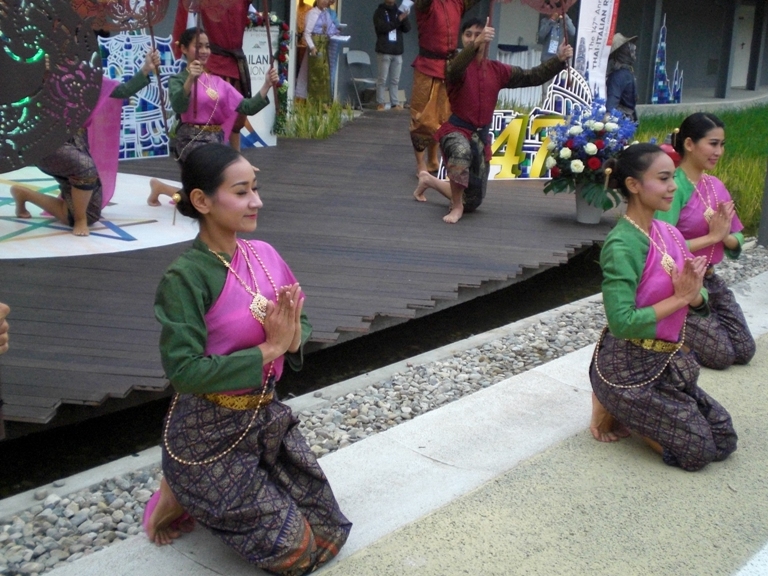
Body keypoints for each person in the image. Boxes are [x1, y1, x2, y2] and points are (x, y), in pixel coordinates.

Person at [144, 144, 352, 573]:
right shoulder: (185, 277)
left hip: (264, 418)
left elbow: (302, 322)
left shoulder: (264, 254)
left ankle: (195, 489)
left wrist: (291, 335)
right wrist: (269, 348)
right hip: (208, 433)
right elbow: (184, 373)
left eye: (255, 189)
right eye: (241, 192)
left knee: (330, 535)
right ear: (202, 201)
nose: (256, 201)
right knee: (295, 556)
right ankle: (178, 488)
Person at [589, 143, 738, 471]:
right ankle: (612, 401)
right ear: (634, 185)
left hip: (667, 363)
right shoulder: (621, 245)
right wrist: (681, 298)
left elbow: (701, 303)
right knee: (697, 453)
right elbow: (621, 323)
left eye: (673, 177)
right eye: (663, 178)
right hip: (627, 369)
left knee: (724, 440)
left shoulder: (669, 232)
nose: (673, 186)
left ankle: (639, 412)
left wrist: (695, 295)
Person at [413, 18, 571, 224]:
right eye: (468, 34)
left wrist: (558, 59)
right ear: (462, 38)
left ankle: (430, 180)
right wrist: (477, 44)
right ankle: (456, 205)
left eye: (478, 34)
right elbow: (455, 70)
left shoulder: (497, 70)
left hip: (479, 136)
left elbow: (531, 76)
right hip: (456, 130)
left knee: (473, 201)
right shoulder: (454, 64)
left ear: (488, 38)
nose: (473, 38)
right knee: (461, 151)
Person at [11, 49, 160, 236]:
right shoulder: (38, 65)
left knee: (91, 213)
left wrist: (146, 69)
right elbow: (17, 95)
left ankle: (24, 194)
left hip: (78, 142)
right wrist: (39, 73)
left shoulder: (85, 74)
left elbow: (122, 91)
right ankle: (79, 221)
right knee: (86, 169)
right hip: (48, 141)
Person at [654, 113, 755, 370]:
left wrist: (726, 237)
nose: (719, 151)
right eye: (712, 143)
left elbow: (737, 235)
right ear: (689, 144)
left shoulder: (715, 185)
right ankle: (668, 329)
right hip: (681, 282)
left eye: (722, 144)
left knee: (744, 350)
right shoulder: (673, 188)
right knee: (721, 357)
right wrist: (712, 237)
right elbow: (662, 247)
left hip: (710, 278)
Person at [147, 28, 278, 207]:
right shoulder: (178, 80)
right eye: (198, 46)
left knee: (204, 193)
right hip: (191, 140)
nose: (204, 51)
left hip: (216, 140)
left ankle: (161, 187)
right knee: (205, 192)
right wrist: (190, 80)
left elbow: (247, 107)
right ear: (184, 49)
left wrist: (266, 85)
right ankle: (170, 191)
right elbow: (178, 105)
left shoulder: (217, 82)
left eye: (207, 46)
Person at [410, 0, 483, 176]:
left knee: (443, 117)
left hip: (449, 67)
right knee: (421, 117)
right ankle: (421, 165)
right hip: (427, 66)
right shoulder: (425, 4)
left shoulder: (457, 2)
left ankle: (433, 160)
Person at [172, 0, 253, 151]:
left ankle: (235, 159)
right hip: (215, 64)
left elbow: (249, 106)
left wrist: (267, 85)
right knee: (207, 112)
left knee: (237, 116)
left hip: (234, 63)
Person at [295, 0, 341, 105]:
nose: (325, 2)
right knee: (315, 74)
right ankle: (313, 101)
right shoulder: (312, 13)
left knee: (324, 74)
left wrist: (336, 32)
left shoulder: (325, 13)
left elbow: (330, 28)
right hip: (316, 45)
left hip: (324, 46)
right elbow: (307, 33)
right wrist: (312, 47)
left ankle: (322, 102)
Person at [373, 0, 411, 111]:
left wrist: (405, 17)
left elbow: (407, 29)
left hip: (397, 51)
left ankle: (395, 103)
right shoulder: (379, 12)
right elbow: (382, 28)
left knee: (395, 80)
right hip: (384, 50)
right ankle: (380, 102)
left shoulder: (399, 12)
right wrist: (398, 20)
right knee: (382, 79)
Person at [605, 33, 638, 121]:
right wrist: (608, 115)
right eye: (630, 49)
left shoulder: (624, 73)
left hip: (625, 119)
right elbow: (613, 98)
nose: (633, 52)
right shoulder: (619, 76)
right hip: (620, 120)